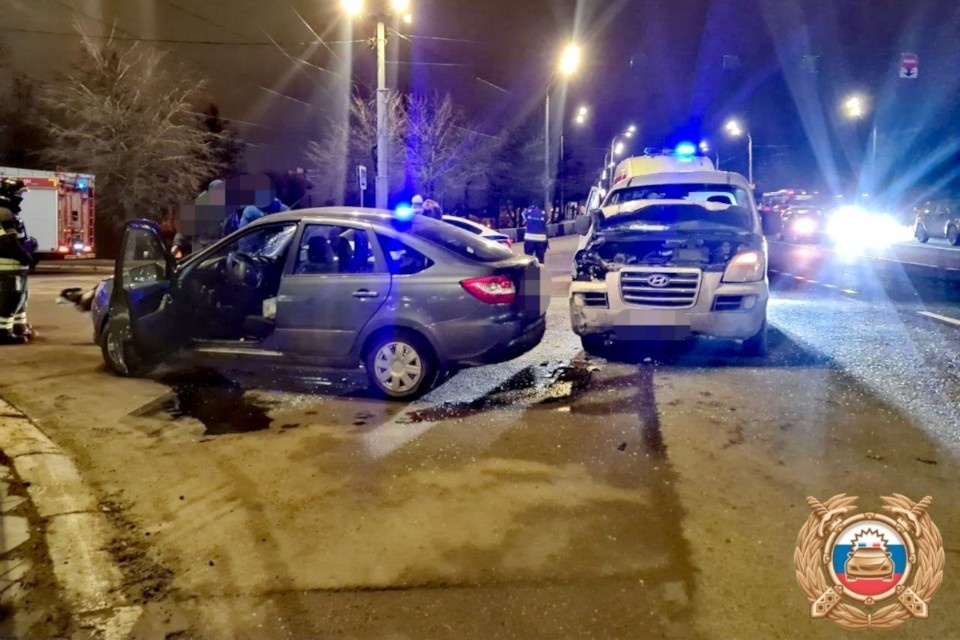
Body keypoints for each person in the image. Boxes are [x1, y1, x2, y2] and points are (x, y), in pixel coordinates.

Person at [0, 208, 33, 341]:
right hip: (7, 267)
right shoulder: (3, 213)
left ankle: (17, 326)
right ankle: (3, 333)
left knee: (19, 299)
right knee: (9, 300)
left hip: (15, 267)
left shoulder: (8, 212)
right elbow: (7, 242)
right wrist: (25, 256)